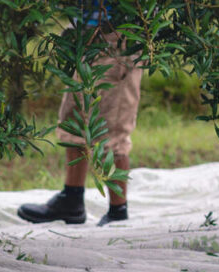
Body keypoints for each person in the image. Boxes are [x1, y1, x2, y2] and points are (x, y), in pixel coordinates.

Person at [17, 2, 143, 227]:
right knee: (73, 120)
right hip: (86, 36)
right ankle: (72, 200)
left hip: (119, 37)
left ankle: (117, 212)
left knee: (111, 129)